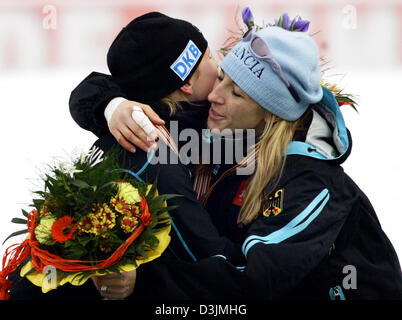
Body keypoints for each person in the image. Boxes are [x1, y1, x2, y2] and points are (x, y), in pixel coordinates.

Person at [69, 15, 402, 300]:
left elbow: (252, 282)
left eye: (236, 92)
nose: (214, 94)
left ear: (270, 113)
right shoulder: (223, 127)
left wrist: (143, 284)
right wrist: (114, 107)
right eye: (222, 76)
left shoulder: (310, 182)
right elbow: (115, 87)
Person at [8, 11, 243, 301]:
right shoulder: (153, 148)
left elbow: (95, 88)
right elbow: (205, 255)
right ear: (186, 83)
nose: (218, 67)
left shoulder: (144, 121)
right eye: (208, 58)